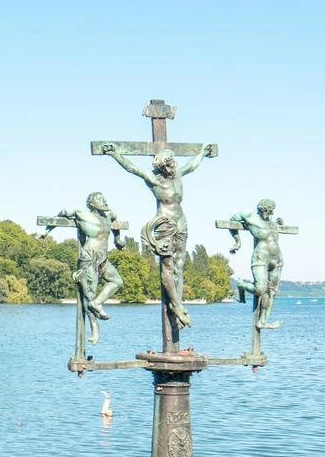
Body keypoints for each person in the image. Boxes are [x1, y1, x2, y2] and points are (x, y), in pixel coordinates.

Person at [101, 143, 213, 330]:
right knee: (168, 265)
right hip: (164, 224)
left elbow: (192, 165)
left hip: (181, 222)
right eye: (169, 165)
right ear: (164, 166)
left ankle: (177, 303)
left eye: (173, 164)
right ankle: (176, 305)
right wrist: (115, 153)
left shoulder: (177, 175)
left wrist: (202, 153)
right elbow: (132, 168)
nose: (173, 167)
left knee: (179, 265)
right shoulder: (154, 179)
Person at [52, 192, 125, 344]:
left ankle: (98, 303)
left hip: (103, 257)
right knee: (88, 295)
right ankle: (94, 327)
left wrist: (117, 239)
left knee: (117, 281)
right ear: (92, 204)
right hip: (88, 257)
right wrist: (45, 232)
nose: (104, 201)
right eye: (100, 199)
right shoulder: (82, 213)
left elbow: (115, 224)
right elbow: (60, 215)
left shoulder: (109, 214)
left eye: (104, 198)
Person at [227, 199, 285, 329]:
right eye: (266, 210)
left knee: (272, 292)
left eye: (270, 211)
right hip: (260, 257)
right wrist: (237, 242)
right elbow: (231, 223)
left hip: (277, 259)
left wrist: (279, 223)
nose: (268, 213)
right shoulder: (249, 215)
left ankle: (262, 321)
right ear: (261, 209)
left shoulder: (272, 222)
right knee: (260, 289)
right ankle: (241, 285)